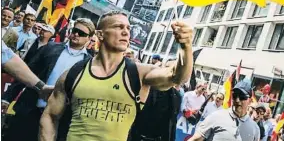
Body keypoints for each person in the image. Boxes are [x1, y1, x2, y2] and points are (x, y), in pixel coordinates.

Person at [38, 10, 193, 141]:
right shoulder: (73, 74)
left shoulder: (138, 73)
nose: (126, 32)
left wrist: (185, 47)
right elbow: (50, 116)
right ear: (100, 34)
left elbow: (177, 77)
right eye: (119, 27)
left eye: (128, 28)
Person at [2, 18, 95, 141]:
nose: (76, 34)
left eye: (82, 33)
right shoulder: (50, 47)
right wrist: (7, 98)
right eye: (75, 30)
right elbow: (27, 71)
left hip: (57, 120)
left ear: (89, 38)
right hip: (30, 110)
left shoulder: (89, 63)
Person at [189, 80, 260, 141]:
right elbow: (195, 139)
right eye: (235, 96)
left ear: (250, 101)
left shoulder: (255, 128)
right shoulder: (216, 116)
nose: (237, 100)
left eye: (242, 97)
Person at [133, 59, 183, 141]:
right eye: (168, 68)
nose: (171, 73)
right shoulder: (145, 86)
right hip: (136, 136)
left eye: (175, 70)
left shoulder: (177, 96)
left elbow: (172, 122)